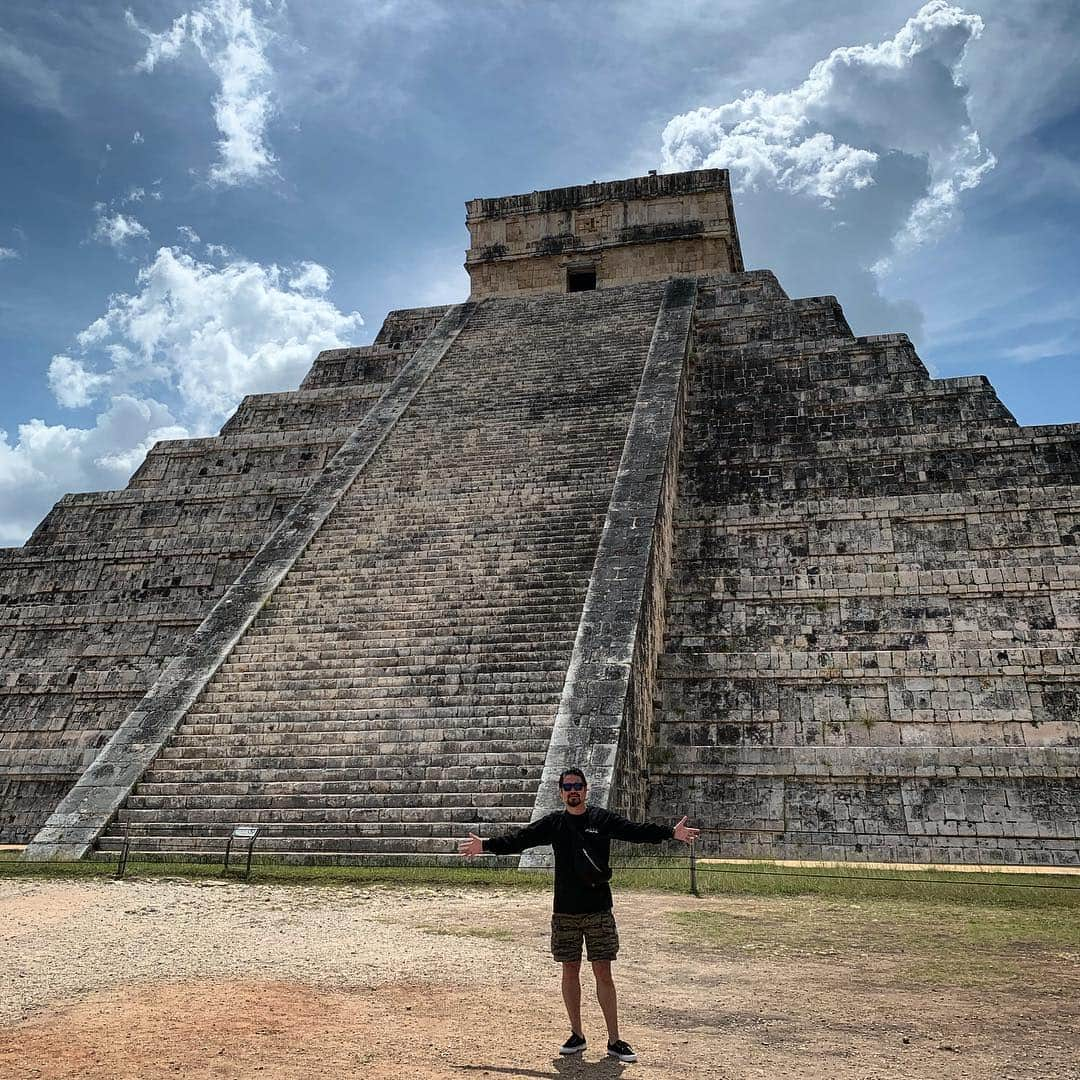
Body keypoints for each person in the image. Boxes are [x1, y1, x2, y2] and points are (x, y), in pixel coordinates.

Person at [458, 766, 699, 1063]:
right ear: (561, 792)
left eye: (578, 786)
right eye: (567, 786)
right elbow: (520, 839)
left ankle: (614, 1039)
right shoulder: (555, 824)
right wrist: (485, 846)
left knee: (603, 973)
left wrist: (670, 833)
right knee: (569, 971)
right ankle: (577, 1033)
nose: (573, 790)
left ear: (586, 790)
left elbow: (634, 831)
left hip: (598, 910)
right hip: (566, 912)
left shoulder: (601, 819)